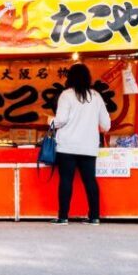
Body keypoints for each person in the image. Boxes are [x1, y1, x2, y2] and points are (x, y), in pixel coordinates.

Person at [51, 63, 111, 226]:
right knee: (90, 181)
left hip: (67, 146)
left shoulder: (66, 95)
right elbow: (106, 125)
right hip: (88, 146)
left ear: (70, 77)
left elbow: (60, 120)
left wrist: (50, 122)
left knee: (66, 180)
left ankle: (63, 217)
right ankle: (94, 217)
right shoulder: (96, 96)